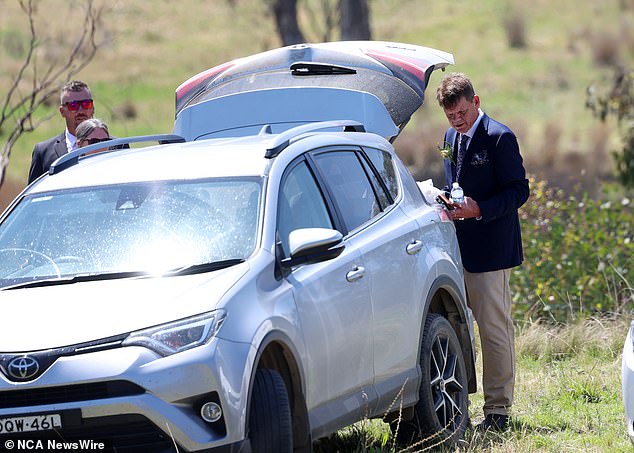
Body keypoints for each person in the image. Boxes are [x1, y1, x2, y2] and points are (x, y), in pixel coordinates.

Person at [436, 73, 530, 431]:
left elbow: (519, 191)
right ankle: (456, 404)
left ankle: (498, 411)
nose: (457, 122)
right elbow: (453, 180)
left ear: (476, 102)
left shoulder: (500, 137)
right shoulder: (448, 138)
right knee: (460, 329)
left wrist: (480, 209)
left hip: (491, 251)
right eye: (450, 117)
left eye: (461, 113)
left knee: (494, 330)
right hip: (455, 251)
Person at [28, 80, 94, 183]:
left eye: (86, 104)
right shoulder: (43, 152)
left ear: (92, 108)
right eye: (74, 106)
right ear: (62, 111)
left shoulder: (115, 147)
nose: (81, 111)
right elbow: (34, 196)